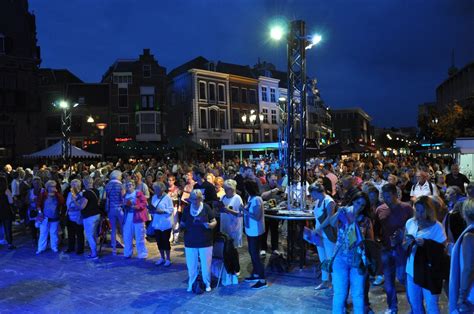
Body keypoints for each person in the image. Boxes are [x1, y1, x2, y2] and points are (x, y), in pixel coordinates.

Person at [329, 192, 374, 314]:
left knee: (358, 294)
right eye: (358, 203)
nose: (359, 207)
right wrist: (339, 212)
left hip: (358, 260)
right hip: (340, 258)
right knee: (339, 293)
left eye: (363, 205)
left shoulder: (366, 221)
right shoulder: (344, 214)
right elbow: (332, 223)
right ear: (353, 201)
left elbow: (371, 242)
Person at [404, 196, 447, 314]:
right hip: (412, 269)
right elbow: (405, 243)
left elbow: (442, 250)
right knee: (415, 303)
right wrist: (405, 243)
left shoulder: (437, 226)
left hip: (429, 272)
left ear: (429, 210)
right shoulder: (410, 223)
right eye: (417, 210)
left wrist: (426, 244)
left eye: (422, 210)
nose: (419, 213)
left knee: (431, 304)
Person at [376, 183, 413, 313]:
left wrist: (403, 234)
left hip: (402, 249)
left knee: (403, 278)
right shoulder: (380, 209)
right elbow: (376, 230)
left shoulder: (407, 208)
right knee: (388, 281)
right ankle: (392, 307)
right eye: (383, 196)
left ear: (395, 194)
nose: (385, 199)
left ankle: (414, 307)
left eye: (388, 196)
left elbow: (413, 227)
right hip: (386, 249)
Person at [180, 190, 217, 292]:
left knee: (206, 265)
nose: (195, 201)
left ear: (201, 199)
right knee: (191, 265)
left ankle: (207, 283)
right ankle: (191, 283)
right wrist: (180, 228)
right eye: (193, 199)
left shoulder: (206, 207)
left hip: (205, 241)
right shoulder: (187, 209)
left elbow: (214, 221)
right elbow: (182, 223)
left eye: (198, 199)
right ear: (190, 199)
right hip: (190, 241)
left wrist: (209, 225)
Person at [449, 199, 474, 313]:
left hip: (470, 292)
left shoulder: (469, 235)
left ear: (464, 214)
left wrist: (461, 296)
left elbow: (468, 268)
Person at [309, 183, 336, 290]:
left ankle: (335, 284)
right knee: (322, 259)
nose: (311, 196)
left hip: (327, 234)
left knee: (331, 259)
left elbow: (330, 218)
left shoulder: (329, 201)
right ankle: (325, 281)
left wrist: (318, 229)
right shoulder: (317, 201)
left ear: (316, 192)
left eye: (311, 193)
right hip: (319, 234)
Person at [243, 179, 267, 289]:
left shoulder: (257, 199)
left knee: (255, 255)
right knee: (252, 253)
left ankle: (262, 280)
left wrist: (244, 211)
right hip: (249, 230)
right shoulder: (250, 198)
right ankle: (256, 274)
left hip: (255, 231)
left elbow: (257, 216)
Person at [36, 180, 65, 254]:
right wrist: (39, 212)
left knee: (54, 233)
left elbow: (62, 202)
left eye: (54, 186)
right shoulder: (43, 194)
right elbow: (38, 204)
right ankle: (41, 248)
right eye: (52, 186)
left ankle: (54, 247)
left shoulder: (57, 195)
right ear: (48, 187)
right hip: (44, 217)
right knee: (43, 233)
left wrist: (57, 193)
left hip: (55, 217)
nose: (53, 188)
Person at [122, 180, 148, 259]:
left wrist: (137, 206)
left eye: (130, 185)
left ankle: (142, 253)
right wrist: (124, 205)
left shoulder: (138, 193)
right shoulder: (125, 195)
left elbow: (144, 203)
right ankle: (127, 252)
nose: (129, 186)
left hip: (137, 216)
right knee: (127, 235)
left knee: (139, 235)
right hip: (128, 216)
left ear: (134, 185)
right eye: (127, 185)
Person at [151, 182, 174, 266]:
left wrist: (163, 211)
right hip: (157, 223)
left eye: (156, 189)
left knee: (165, 241)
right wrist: (152, 211)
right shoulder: (154, 197)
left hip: (165, 223)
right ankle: (162, 257)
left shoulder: (167, 198)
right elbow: (153, 208)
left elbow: (171, 210)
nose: (155, 191)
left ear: (162, 189)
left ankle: (168, 259)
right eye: (154, 189)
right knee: (159, 241)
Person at [260, 173, 283, 256]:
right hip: (266, 213)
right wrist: (272, 191)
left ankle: (275, 248)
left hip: (275, 212)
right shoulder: (264, 186)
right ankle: (263, 248)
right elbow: (262, 195)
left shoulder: (278, 187)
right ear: (268, 179)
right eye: (273, 180)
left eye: (275, 179)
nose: (274, 181)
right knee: (264, 231)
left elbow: (283, 195)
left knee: (275, 231)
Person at [81, 176, 101, 259]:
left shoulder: (86, 193)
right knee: (94, 234)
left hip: (89, 216)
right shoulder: (96, 191)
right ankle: (95, 250)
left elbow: (82, 206)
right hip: (97, 215)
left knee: (89, 235)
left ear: (84, 183)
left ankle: (94, 253)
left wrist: (75, 202)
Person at [105, 170, 124, 255]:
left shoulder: (107, 185)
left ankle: (114, 249)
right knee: (124, 228)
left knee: (113, 230)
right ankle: (126, 246)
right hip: (119, 209)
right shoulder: (120, 185)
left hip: (111, 209)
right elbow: (123, 198)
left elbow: (105, 198)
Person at [219, 179, 243, 247]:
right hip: (224, 224)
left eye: (227, 189)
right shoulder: (223, 197)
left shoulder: (237, 198)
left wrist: (229, 210)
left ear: (232, 189)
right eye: (225, 189)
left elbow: (240, 214)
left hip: (234, 227)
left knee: (233, 247)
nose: (225, 191)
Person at [64, 179, 85, 255]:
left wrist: (74, 205)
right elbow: (67, 204)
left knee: (79, 234)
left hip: (78, 217)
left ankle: (80, 249)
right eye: (72, 185)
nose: (72, 187)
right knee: (70, 233)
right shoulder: (69, 194)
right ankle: (71, 247)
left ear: (79, 186)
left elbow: (80, 206)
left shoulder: (82, 194)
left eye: (74, 185)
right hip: (69, 216)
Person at [0, 176, 15, 249]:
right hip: (6, 211)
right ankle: (10, 244)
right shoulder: (6, 190)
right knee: (7, 228)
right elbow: (11, 201)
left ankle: (1, 241)